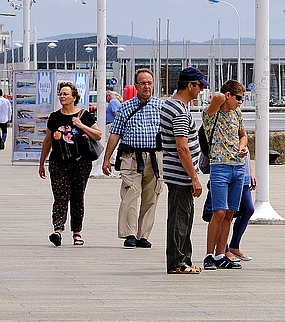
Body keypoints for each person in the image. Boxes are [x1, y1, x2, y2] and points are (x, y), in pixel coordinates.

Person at [102, 69, 164, 249]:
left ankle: (143, 235)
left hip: (154, 157)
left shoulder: (161, 106)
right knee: (130, 194)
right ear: (136, 86)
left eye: (149, 83)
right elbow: (115, 134)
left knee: (151, 196)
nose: (147, 86)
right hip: (131, 157)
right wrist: (106, 159)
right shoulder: (125, 107)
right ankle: (129, 234)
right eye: (143, 83)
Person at [38, 81, 102, 246]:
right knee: (60, 196)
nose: (62, 96)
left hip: (81, 163)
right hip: (58, 163)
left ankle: (77, 232)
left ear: (74, 97)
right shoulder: (54, 117)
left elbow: (98, 135)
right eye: (60, 94)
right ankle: (58, 230)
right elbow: (47, 141)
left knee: (77, 197)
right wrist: (41, 162)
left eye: (66, 94)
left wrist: (81, 125)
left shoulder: (84, 115)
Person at [161, 67, 207, 274]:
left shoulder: (169, 105)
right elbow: (182, 147)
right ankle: (178, 262)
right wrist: (194, 177)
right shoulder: (180, 111)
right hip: (181, 174)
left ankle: (184, 259)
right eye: (199, 86)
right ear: (190, 85)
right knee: (181, 218)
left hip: (176, 172)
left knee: (183, 217)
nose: (200, 91)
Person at [202, 80, 248, 271]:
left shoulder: (237, 113)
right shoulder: (213, 113)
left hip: (238, 166)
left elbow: (243, 134)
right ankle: (209, 254)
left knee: (230, 212)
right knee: (219, 211)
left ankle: (221, 253)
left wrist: (242, 146)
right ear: (228, 95)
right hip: (220, 166)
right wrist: (226, 94)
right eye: (238, 98)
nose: (240, 102)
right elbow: (218, 97)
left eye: (242, 99)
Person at [226, 157, 257, 261]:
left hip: (243, 172)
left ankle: (234, 245)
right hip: (226, 169)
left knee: (248, 209)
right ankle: (223, 249)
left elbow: (245, 148)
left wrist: (251, 172)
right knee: (224, 212)